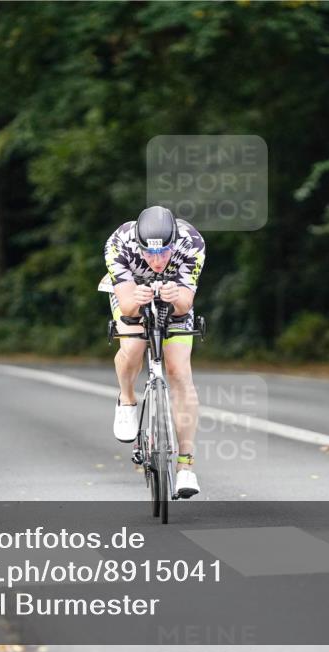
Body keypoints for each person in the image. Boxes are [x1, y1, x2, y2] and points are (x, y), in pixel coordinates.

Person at [103, 205, 205, 498]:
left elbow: (185, 305)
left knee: (179, 372)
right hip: (131, 292)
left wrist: (176, 298)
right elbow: (126, 307)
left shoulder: (191, 242)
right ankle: (127, 399)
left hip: (174, 295)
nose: (157, 260)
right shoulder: (119, 242)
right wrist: (137, 299)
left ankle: (185, 466)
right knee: (133, 345)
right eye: (149, 253)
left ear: (175, 242)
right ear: (138, 244)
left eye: (164, 252)